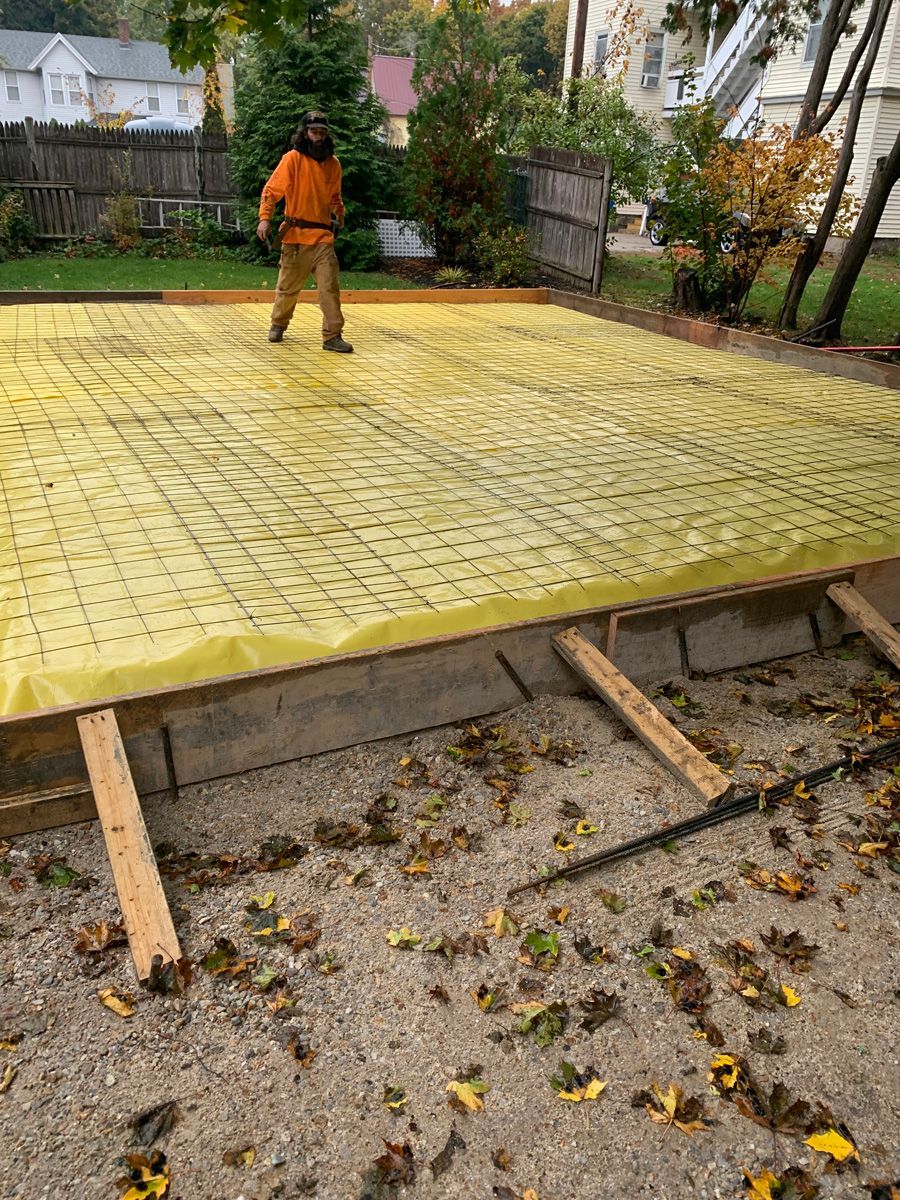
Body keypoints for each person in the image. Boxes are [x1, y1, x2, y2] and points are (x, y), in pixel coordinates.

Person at [256, 110, 353, 353]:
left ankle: (332, 335)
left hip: (322, 238)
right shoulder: (293, 159)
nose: (318, 136)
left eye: (322, 132)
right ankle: (278, 323)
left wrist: (339, 213)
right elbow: (272, 190)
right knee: (288, 288)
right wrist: (265, 218)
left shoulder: (334, 164)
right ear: (305, 133)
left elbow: (334, 195)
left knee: (329, 287)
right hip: (295, 236)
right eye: (314, 131)